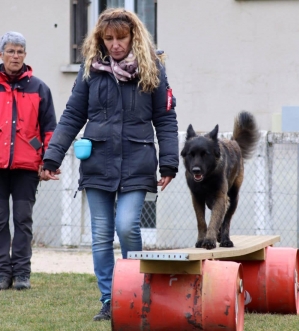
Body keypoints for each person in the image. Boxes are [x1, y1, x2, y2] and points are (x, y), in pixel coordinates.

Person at [41, 7, 178, 321]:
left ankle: (140, 294)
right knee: (101, 235)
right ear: (101, 39)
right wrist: (53, 155)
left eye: (122, 37)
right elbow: (73, 115)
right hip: (99, 161)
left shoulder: (152, 68)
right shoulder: (91, 69)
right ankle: (109, 300)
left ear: (133, 36)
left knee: (127, 225)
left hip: (138, 160)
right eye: (109, 38)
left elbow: (166, 118)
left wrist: (169, 161)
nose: (116, 44)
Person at [0, 31, 57, 290]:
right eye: (11, 51)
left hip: (27, 167)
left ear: (25, 55)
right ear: (2, 54)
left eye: (20, 51)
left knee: (23, 219)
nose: (15, 56)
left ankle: (22, 274)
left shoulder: (39, 88)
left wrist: (48, 161)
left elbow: (50, 130)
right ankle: (3, 274)